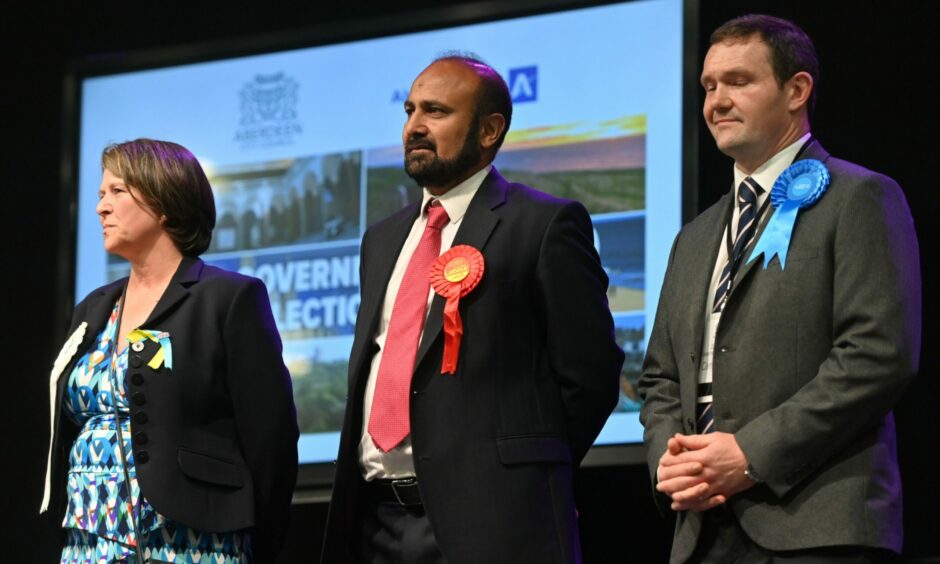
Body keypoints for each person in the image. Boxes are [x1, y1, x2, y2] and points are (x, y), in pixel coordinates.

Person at [638, 14, 921, 563]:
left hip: (815, 526)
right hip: (702, 532)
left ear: (797, 90)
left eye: (738, 81)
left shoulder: (859, 197)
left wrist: (749, 453)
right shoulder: (694, 237)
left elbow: (877, 356)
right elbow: (659, 377)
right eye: (709, 86)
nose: (716, 100)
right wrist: (669, 464)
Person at [320, 54, 624, 564]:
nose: (415, 127)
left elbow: (590, 376)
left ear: (488, 130)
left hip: (496, 525)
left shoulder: (544, 224)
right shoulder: (382, 238)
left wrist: (518, 475)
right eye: (410, 110)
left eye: (436, 112)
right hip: (376, 522)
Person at [41, 139, 299, 563]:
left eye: (117, 192)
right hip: (89, 538)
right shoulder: (94, 307)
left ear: (164, 202)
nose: (101, 207)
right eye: (100, 194)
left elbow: (272, 440)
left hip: (188, 543)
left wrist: (262, 544)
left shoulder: (227, 298)